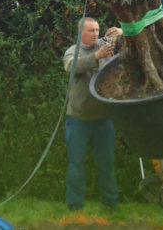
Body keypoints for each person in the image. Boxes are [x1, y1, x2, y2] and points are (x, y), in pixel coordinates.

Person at [63, 17, 122, 212]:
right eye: (91, 31)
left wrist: (121, 33)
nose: (96, 34)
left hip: (103, 118)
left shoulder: (105, 45)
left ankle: (111, 204)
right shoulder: (73, 51)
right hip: (78, 119)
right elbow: (72, 68)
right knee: (76, 164)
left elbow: (130, 42)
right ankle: (75, 206)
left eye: (97, 30)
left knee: (107, 163)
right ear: (81, 34)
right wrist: (97, 57)